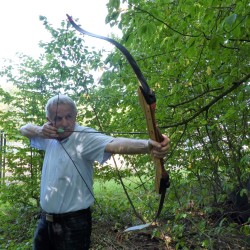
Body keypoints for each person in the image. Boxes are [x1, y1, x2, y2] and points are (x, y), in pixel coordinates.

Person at [20, 94, 170, 250]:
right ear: (49, 119)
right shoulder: (48, 135)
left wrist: (149, 145)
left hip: (74, 223)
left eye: (69, 116)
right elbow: (23, 129)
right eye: (58, 118)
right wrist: (40, 130)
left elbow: (115, 143)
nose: (65, 122)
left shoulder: (85, 137)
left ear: (75, 115)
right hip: (46, 221)